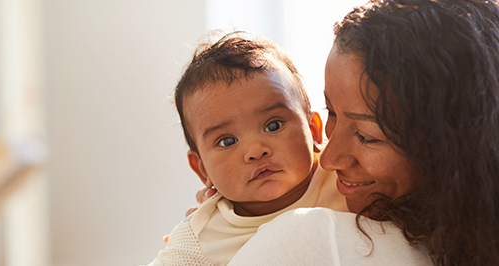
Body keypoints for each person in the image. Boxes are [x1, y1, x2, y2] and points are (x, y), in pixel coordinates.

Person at [223, 0, 499, 265]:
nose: (329, 159)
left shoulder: (311, 240)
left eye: (367, 135)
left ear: (456, 146)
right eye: (331, 111)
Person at [147, 32, 347, 266]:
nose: (255, 150)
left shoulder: (344, 177)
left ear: (313, 130)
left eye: (273, 126)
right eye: (227, 141)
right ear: (202, 171)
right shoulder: (201, 236)